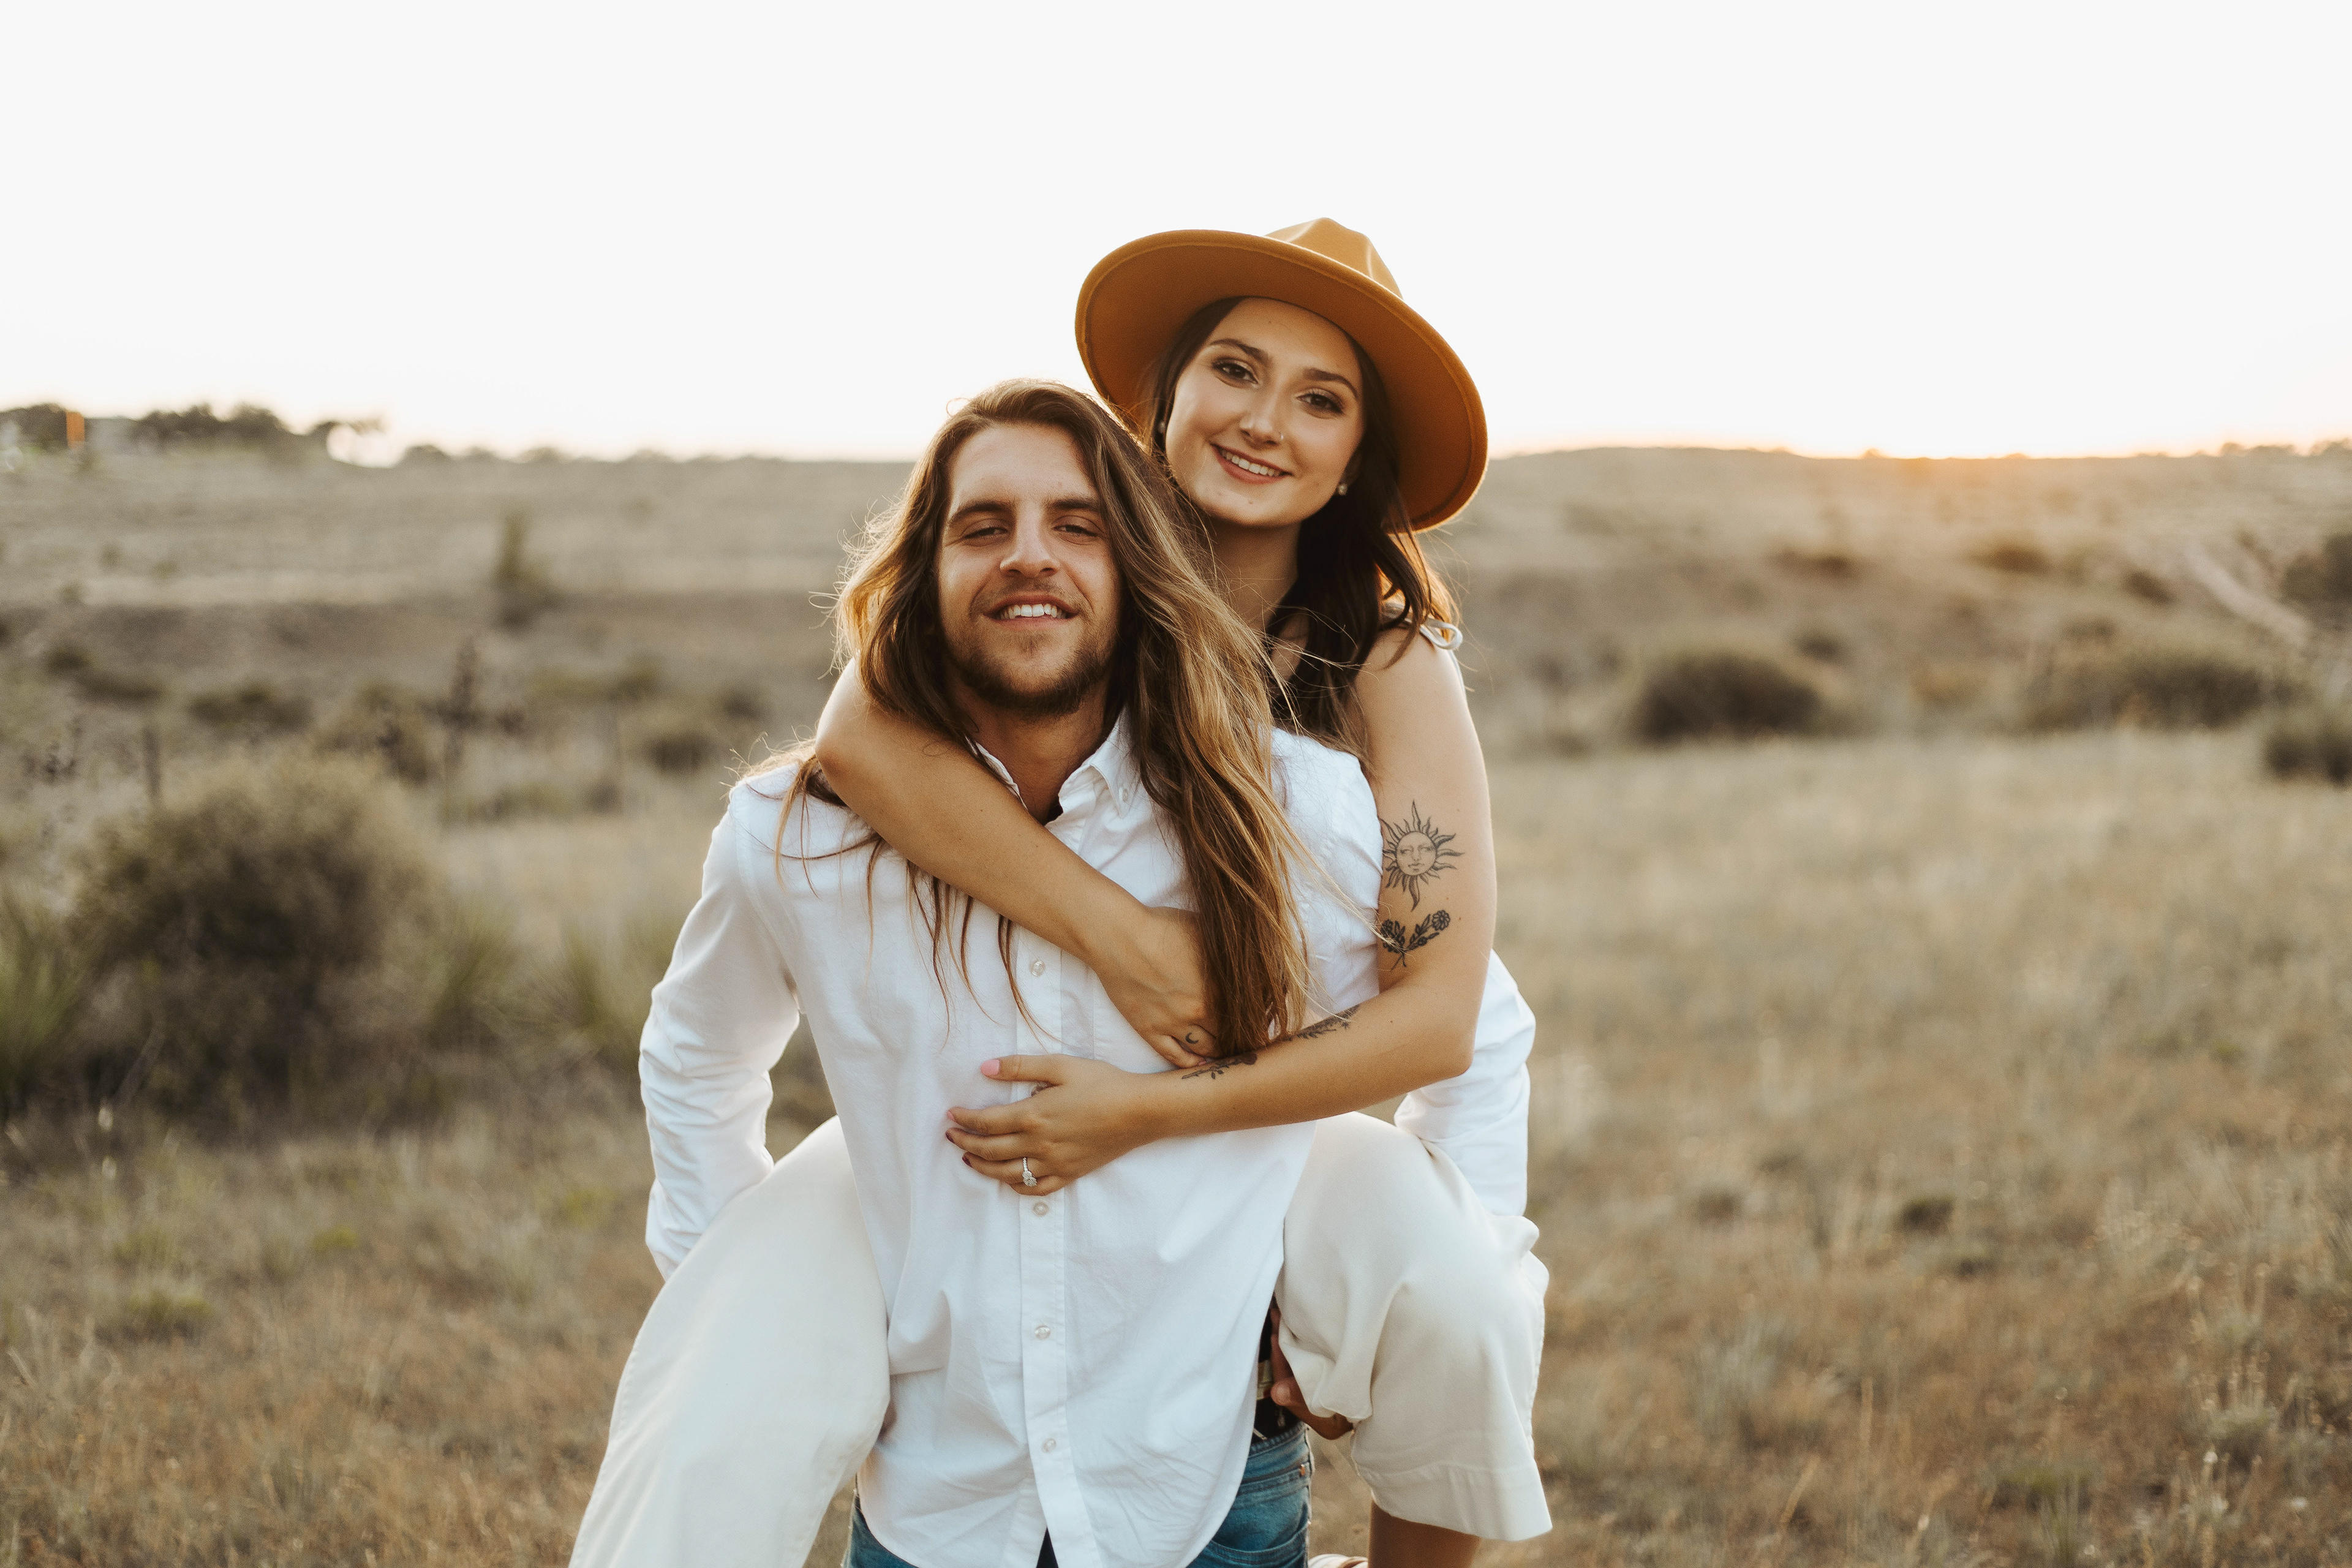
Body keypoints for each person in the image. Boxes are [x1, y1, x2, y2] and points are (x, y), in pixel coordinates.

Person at [570, 225, 1546, 1568]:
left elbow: (1458, 1010)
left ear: (1354, 457)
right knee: (723, 1383)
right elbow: (858, 734)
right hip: (967, 1099)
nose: (1265, 421)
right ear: (1164, 395)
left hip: (1253, 1102)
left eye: (1321, 399)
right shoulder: (1064, 593)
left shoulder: (1379, 664)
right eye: (1236, 370)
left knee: (1462, 1301)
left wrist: (1384, 1249)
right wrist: (1129, 941)